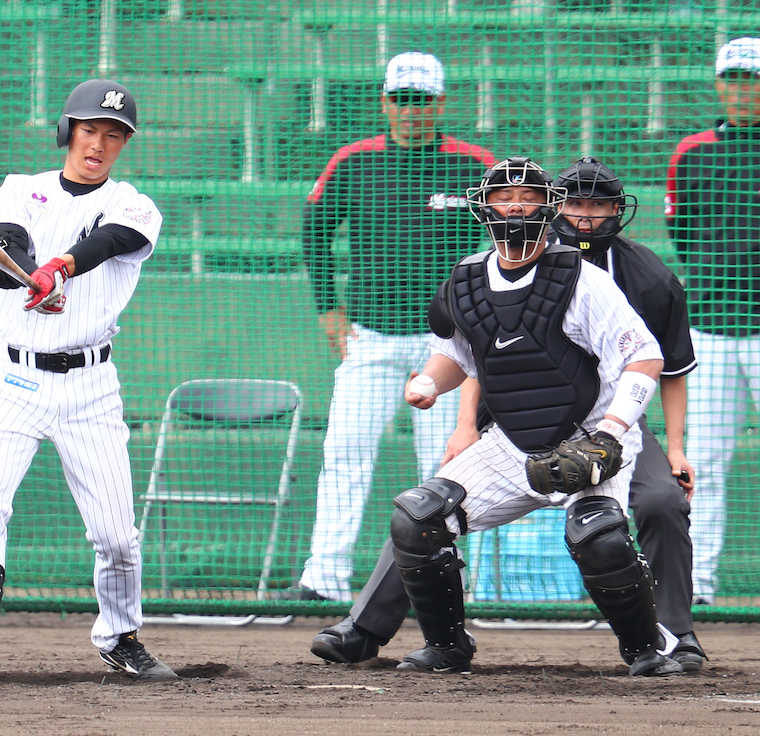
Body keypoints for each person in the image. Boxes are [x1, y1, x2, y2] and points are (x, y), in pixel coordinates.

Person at [309, 157, 708, 673]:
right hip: (514, 436)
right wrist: (433, 387)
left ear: (547, 208)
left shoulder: (589, 278)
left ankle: (651, 649)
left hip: (593, 431)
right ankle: (442, 644)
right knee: (417, 516)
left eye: (528, 196)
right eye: (503, 195)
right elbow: (458, 354)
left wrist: (613, 434)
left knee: (601, 534)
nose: (515, 205)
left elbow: (648, 357)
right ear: (484, 206)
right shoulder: (468, 277)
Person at [0, 79, 176, 681]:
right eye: (90, 130)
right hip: (16, 380)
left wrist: (60, 269)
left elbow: (113, 241)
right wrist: (27, 272)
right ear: (68, 131)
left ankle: (120, 635)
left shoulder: (134, 203)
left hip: (90, 387)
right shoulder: (20, 189)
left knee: (115, 535)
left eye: (115, 135)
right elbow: (3, 248)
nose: (101, 144)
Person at [283, 51, 495, 601]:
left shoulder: (475, 165)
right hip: (370, 337)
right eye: (401, 99)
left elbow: (509, 234)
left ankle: (446, 581)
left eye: (422, 100)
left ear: (442, 103)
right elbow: (315, 231)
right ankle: (323, 579)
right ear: (384, 102)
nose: (410, 110)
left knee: (446, 467)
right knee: (345, 454)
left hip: (446, 345)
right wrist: (329, 308)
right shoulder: (353, 160)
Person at [665, 36, 760, 606]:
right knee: (704, 462)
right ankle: (697, 585)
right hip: (714, 328)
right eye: (736, 79)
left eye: (754, 79)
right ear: (720, 85)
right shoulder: (693, 151)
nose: (745, 90)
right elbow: (685, 234)